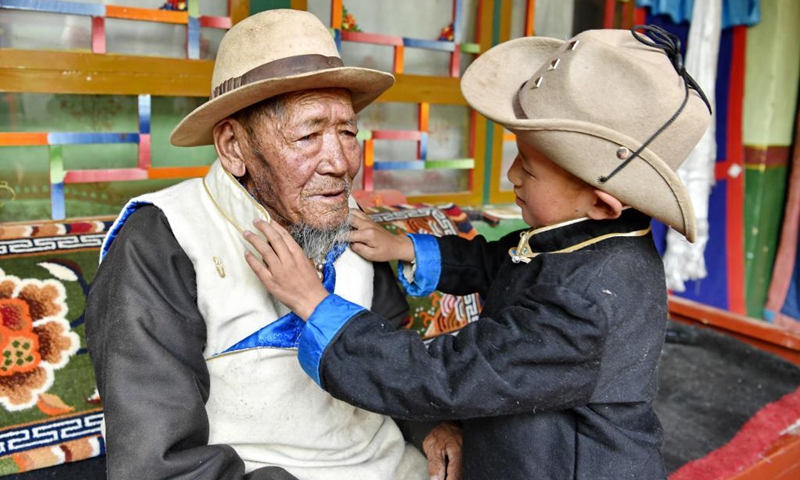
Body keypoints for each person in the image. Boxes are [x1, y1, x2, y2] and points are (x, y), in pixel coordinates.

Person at [242, 26, 713, 479]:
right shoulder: (581, 238)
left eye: (528, 166)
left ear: (601, 201)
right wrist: (404, 246)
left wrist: (315, 305)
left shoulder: (586, 304)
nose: (512, 175)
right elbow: (499, 264)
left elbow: (446, 375)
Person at [85, 9, 459, 480]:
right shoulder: (164, 240)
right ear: (234, 148)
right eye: (308, 135)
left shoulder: (349, 222)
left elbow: (389, 351)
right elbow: (161, 466)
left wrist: (428, 424)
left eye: (347, 131)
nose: (341, 163)